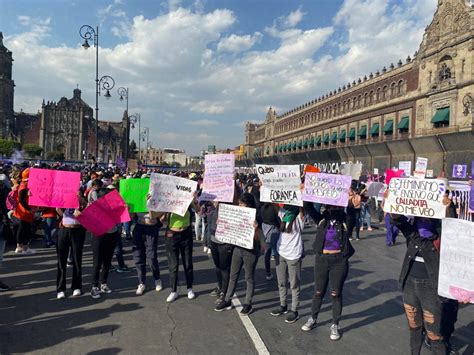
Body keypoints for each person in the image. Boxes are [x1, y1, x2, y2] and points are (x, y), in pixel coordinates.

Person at [391, 213, 446, 355]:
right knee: (414, 327)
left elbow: (450, 225)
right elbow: (398, 220)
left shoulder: (442, 238)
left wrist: (448, 207)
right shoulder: (412, 234)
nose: (424, 220)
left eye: (427, 218)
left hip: (430, 288)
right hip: (409, 285)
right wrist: (392, 202)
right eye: (421, 218)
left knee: (434, 334)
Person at [301, 205, 354, 341]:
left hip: (339, 262)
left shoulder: (344, 222)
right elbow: (309, 208)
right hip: (322, 260)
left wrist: (350, 203)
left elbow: (351, 217)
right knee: (318, 292)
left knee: (335, 294)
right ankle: (313, 318)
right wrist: (305, 191)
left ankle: (335, 324)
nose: (333, 206)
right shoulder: (321, 219)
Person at [215, 193, 264, 315]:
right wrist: (221, 223)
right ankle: (227, 300)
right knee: (233, 275)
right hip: (238, 248)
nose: (240, 206)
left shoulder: (256, 216)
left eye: (242, 204)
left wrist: (256, 228)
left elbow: (261, 240)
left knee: (249, 277)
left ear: (248, 204)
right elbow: (230, 228)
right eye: (239, 204)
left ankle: (248, 303)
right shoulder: (238, 213)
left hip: (250, 251)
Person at [270, 205, 304, 324]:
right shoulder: (283, 213)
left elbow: (304, 207)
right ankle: (283, 305)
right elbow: (274, 203)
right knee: (281, 282)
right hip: (281, 252)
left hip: (294, 254)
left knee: (294, 284)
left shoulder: (299, 216)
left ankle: (294, 310)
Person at [163, 194, 199, 302]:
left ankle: (189, 288)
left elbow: (198, 210)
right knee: (173, 265)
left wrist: (194, 201)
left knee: (187, 263)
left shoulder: (187, 199)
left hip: (186, 234)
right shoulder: (168, 201)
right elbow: (161, 219)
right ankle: (173, 291)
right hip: (171, 235)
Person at [89, 186, 121, 299]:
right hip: (98, 235)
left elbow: (122, 218)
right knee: (97, 262)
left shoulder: (115, 206)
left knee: (107, 262)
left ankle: (103, 284)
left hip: (112, 234)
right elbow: (88, 220)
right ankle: (94, 287)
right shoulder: (95, 207)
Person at [55, 194, 87, 299]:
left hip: (78, 230)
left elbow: (87, 208)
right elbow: (59, 211)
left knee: (77, 259)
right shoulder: (63, 197)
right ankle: (60, 288)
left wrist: (80, 198)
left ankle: (76, 286)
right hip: (64, 229)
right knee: (61, 260)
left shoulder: (81, 200)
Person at [132, 208, 164, 296]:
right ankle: (141, 282)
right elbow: (132, 215)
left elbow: (162, 214)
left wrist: (151, 206)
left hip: (152, 228)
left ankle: (157, 279)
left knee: (152, 256)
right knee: (138, 256)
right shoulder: (135, 195)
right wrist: (128, 209)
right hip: (139, 227)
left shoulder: (154, 195)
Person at [207, 200, 233, 304]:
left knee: (224, 268)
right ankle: (220, 286)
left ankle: (224, 292)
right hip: (214, 240)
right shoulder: (213, 206)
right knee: (217, 266)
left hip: (224, 242)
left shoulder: (229, 207)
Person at [13, 168, 35, 255]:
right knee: (24, 229)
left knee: (24, 229)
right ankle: (22, 247)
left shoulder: (25, 185)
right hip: (24, 212)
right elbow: (22, 200)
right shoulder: (23, 186)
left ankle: (21, 247)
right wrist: (29, 209)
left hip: (25, 211)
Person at [260, 202, 281, 280]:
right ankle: (280, 273)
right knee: (277, 252)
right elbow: (277, 219)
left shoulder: (262, 207)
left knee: (267, 252)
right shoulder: (274, 207)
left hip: (265, 228)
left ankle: (268, 272)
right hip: (274, 229)